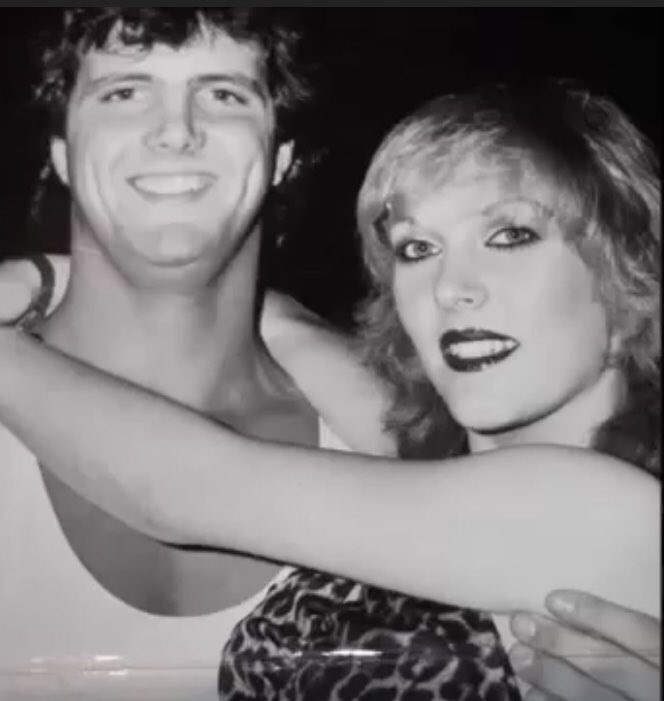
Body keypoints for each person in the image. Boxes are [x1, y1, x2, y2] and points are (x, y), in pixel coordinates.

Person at [0, 81, 659, 701]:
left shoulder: (610, 513)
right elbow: (280, 325)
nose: (450, 288)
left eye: (511, 235)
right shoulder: (431, 467)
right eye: (417, 249)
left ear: (627, 274)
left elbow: (181, 488)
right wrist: (53, 278)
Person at [0, 7, 351, 700]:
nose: (176, 130)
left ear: (281, 156)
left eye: (222, 94)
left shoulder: (391, 435)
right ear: (62, 152)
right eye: (125, 92)